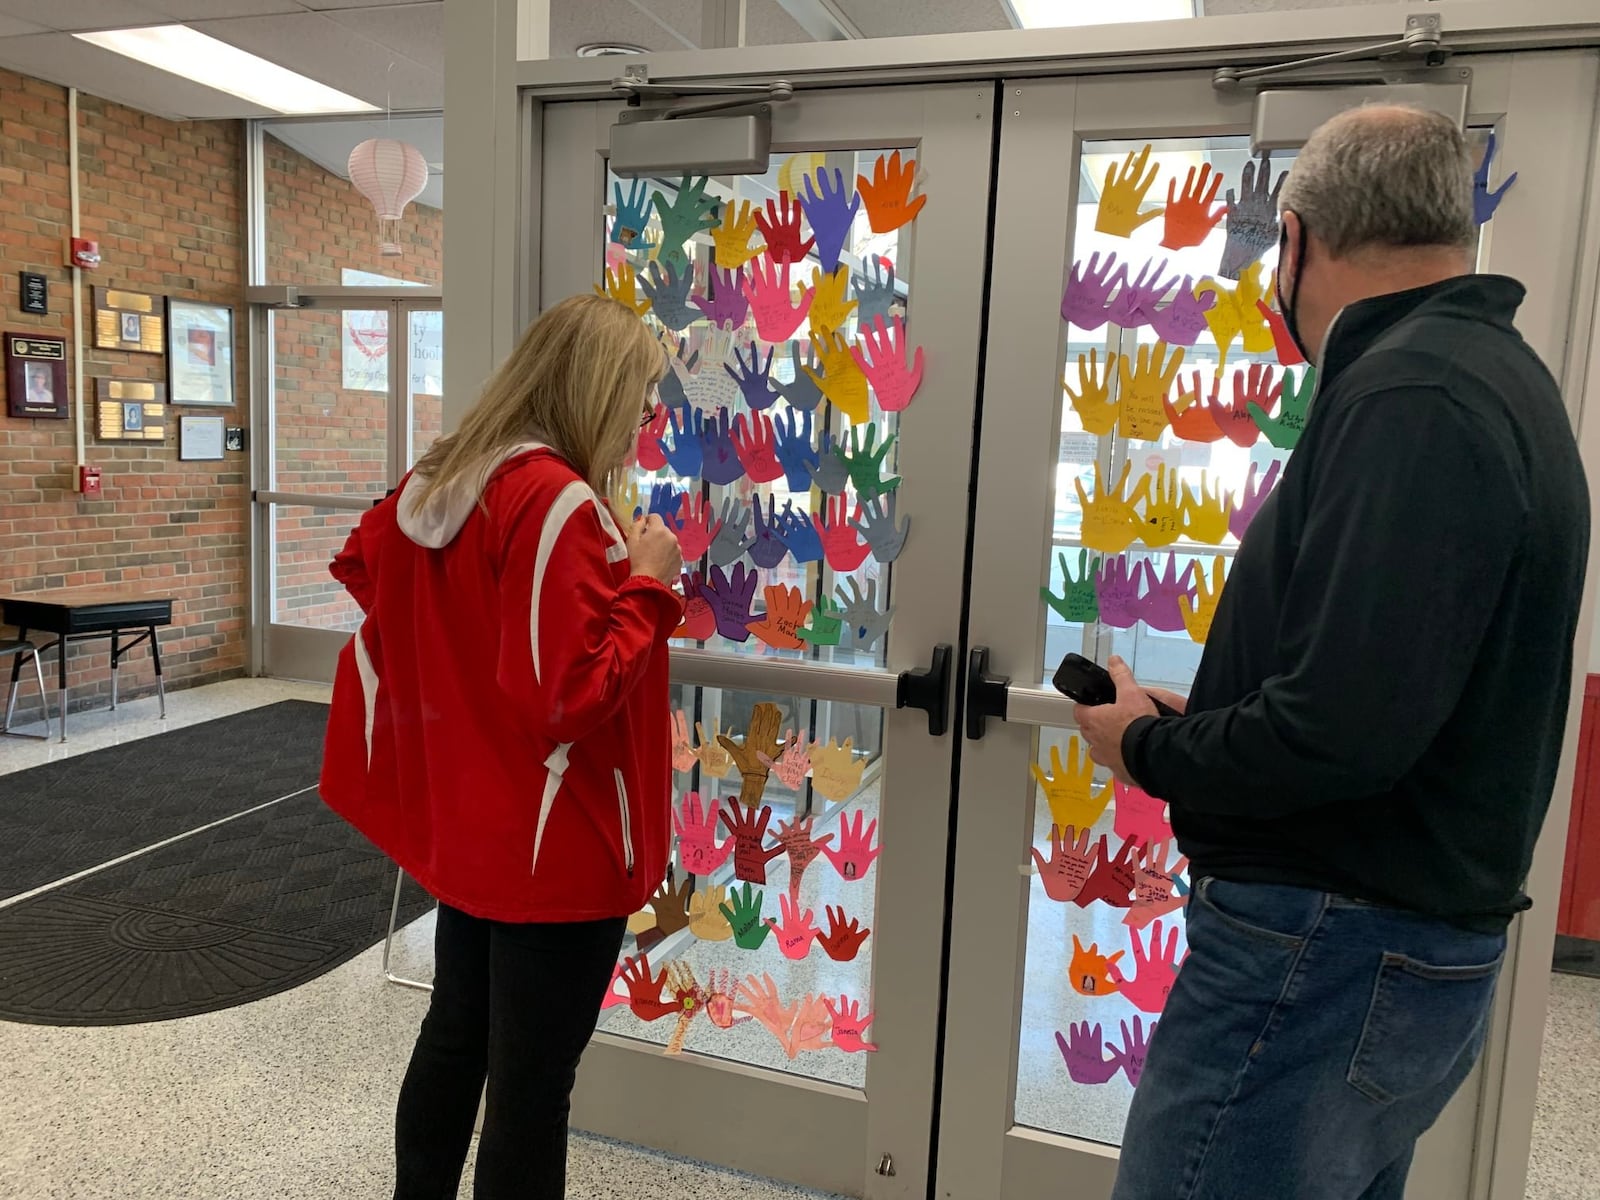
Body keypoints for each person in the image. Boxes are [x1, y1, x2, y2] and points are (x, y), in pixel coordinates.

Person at [1076, 106, 1590, 1200]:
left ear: (1296, 238)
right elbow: (1381, 685)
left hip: (1319, 953)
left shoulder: (1413, 397)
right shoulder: (1491, 378)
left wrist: (1145, 752)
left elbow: (1339, 732)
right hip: (1381, 945)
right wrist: (1206, 724)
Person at [320, 293, 683, 1199]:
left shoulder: (446, 477)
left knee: (456, 1036)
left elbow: (370, 568)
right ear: (596, 392)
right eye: (641, 401)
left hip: (475, 829)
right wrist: (650, 585)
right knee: (531, 1090)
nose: (645, 423)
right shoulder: (558, 501)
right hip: (558, 845)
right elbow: (573, 693)